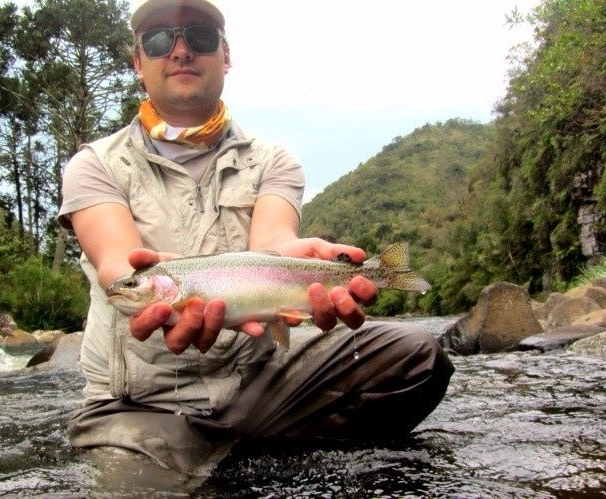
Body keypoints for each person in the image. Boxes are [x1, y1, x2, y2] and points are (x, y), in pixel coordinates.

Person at [58, 0, 454, 479]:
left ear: (225, 56)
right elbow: (116, 261)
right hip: (139, 405)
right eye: (161, 40)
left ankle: (262, 449)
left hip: (258, 381)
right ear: (138, 63)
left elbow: (275, 244)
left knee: (417, 356)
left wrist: (301, 263)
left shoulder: (274, 161)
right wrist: (130, 281)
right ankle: (247, 459)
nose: (181, 51)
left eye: (200, 38)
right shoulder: (93, 165)